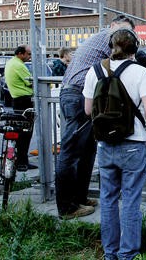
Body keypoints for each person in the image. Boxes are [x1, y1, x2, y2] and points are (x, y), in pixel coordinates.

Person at [83, 29, 146, 260]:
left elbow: (87, 110)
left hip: (105, 144)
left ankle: (110, 253)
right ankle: (128, 253)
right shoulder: (140, 72)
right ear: (134, 48)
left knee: (108, 199)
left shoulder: (94, 71)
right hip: (133, 144)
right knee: (131, 200)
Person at [55, 14, 135, 220]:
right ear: (113, 26)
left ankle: (80, 198)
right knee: (71, 150)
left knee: (88, 150)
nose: (124, 36)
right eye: (124, 30)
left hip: (78, 93)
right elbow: (125, 62)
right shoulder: (110, 37)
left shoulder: (102, 38)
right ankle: (66, 207)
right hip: (80, 94)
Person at [4, 45, 37, 171]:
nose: (29, 57)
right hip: (24, 100)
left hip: (16, 100)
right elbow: (30, 81)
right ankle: (23, 162)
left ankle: (18, 160)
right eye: (28, 54)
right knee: (25, 133)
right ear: (20, 53)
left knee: (20, 133)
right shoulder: (19, 65)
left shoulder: (11, 62)